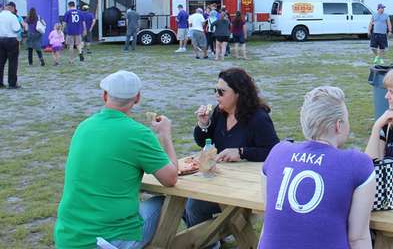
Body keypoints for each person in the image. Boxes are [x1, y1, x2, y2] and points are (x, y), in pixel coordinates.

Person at [54, 70, 178, 248]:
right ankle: (206, 243)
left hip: (69, 237)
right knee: (169, 202)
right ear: (137, 98)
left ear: (105, 95)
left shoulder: (84, 126)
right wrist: (165, 134)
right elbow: (171, 178)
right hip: (108, 239)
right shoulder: (138, 134)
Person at [259, 86, 375, 249]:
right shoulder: (358, 164)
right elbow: (358, 238)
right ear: (338, 125)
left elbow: (270, 220)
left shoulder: (278, 152)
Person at [186, 68, 279, 237]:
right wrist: (203, 124)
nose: (216, 95)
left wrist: (242, 152)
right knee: (184, 198)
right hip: (221, 179)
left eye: (221, 92)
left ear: (238, 93)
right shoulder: (219, 112)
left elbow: (274, 151)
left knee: (194, 205)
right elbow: (202, 141)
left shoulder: (258, 118)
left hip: (245, 186)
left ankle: (207, 242)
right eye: (215, 90)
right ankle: (210, 240)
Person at [0, 2, 22, 88]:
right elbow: (16, 29)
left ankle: (0, 83)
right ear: (12, 8)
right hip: (11, 40)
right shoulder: (13, 17)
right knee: (13, 62)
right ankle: (12, 83)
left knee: (0, 62)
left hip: (0, 39)